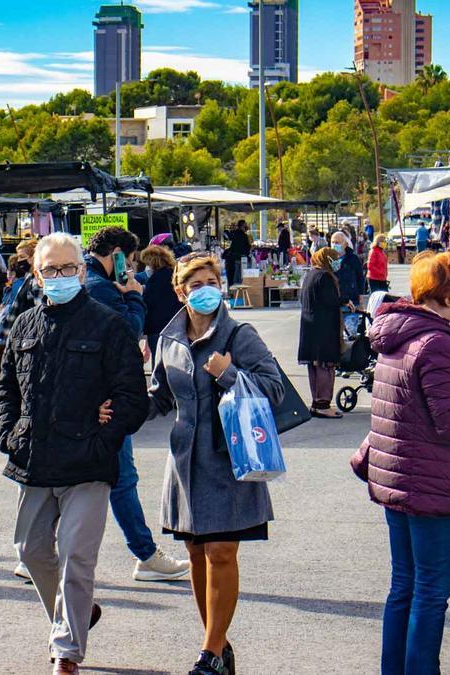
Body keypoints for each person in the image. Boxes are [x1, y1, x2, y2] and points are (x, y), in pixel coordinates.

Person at [0, 232, 148, 675]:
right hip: (35, 459)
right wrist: (10, 432)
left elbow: (131, 397)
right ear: (37, 275)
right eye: (50, 270)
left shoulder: (109, 324)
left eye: (67, 268)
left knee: (77, 558)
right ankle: (75, 614)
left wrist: (105, 437)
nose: (59, 277)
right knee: (30, 550)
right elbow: (6, 386)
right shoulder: (24, 324)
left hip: (88, 464)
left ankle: (67, 650)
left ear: (82, 271)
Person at [353, 253, 450, 675]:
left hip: (398, 478)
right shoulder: (438, 343)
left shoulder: (398, 334)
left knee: (404, 585)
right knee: (430, 592)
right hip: (431, 482)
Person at [145, 253, 284, 675]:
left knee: (222, 551)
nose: (206, 289)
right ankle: (219, 648)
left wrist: (228, 375)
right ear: (180, 292)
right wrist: (122, 404)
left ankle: (207, 655)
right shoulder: (168, 340)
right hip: (186, 461)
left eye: (212, 280)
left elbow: (275, 389)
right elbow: (160, 397)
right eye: (196, 283)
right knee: (197, 551)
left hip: (228, 458)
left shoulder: (239, 334)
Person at [83, 226, 190, 582]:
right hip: (104, 396)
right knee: (122, 479)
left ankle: (39, 549)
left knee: (77, 480)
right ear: (115, 254)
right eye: (126, 260)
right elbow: (128, 330)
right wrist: (133, 295)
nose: (128, 267)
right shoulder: (100, 287)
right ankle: (145, 554)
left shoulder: (87, 280)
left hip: (91, 394)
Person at [298, 247, 346, 419]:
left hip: (310, 327)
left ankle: (316, 403)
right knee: (326, 366)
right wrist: (345, 301)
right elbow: (330, 300)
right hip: (324, 328)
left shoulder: (310, 275)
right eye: (334, 259)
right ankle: (323, 404)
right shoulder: (325, 277)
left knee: (314, 366)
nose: (337, 262)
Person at [139, 245, 182, 359]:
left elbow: (149, 304)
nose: (146, 267)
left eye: (147, 264)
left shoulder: (155, 280)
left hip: (157, 329)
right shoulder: (174, 274)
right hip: (177, 327)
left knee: (159, 363)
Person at [223, 220, 251, 287]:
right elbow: (247, 247)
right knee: (238, 279)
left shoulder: (235, 233)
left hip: (233, 259)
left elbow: (225, 234)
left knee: (232, 279)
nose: (246, 227)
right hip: (239, 259)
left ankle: (232, 291)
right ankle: (236, 292)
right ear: (242, 226)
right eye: (245, 226)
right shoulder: (243, 235)